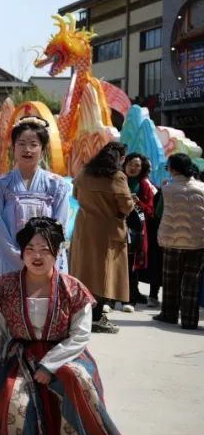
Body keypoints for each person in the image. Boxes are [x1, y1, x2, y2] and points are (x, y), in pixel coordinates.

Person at [0, 217, 174, 435]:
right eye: (30, 249)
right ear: (22, 252)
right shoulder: (5, 287)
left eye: (45, 249)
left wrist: (49, 365)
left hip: (66, 354)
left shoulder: (73, 289)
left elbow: (80, 335)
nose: (37, 256)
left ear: (57, 252)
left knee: (75, 377)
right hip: (22, 356)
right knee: (13, 399)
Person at [0, 117, 70, 285]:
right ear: (13, 148)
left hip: (46, 261)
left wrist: (42, 256)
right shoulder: (1, 184)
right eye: (21, 143)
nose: (27, 149)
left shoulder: (56, 184)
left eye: (34, 144)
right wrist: (17, 256)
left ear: (43, 149)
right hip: (8, 259)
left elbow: (60, 225)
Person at [67, 141, 133, 334]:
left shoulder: (84, 173)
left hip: (84, 228)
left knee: (83, 271)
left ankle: (82, 315)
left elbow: (76, 195)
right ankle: (96, 318)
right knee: (104, 275)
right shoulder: (117, 177)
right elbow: (126, 206)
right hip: (108, 230)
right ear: (120, 158)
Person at [154, 153, 204, 330]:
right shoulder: (203, 187)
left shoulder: (167, 188)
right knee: (192, 281)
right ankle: (190, 320)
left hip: (171, 241)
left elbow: (159, 212)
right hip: (199, 242)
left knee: (171, 279)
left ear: (172, 169)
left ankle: (169, 314)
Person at [124, 153, 157, 306]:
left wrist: (139, 203)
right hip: (118, 226)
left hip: (137, 230)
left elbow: (150, 211)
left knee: (134, 262)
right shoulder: (118, 180)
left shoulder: (144, 185)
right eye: (130, 164)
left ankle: (133, 292)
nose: (133, 168)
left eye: (137, 165)